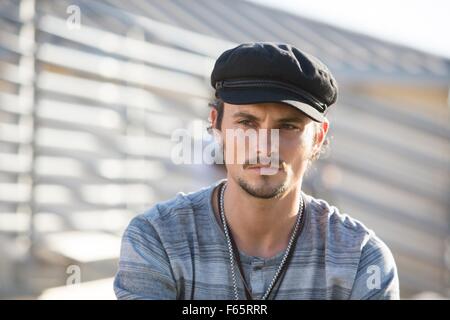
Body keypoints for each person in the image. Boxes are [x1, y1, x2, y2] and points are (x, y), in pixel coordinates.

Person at [114, 42, 399, 300]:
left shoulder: (362, 260)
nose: (264, 146)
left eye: (288, 126)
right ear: (216, 124)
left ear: (318, 138)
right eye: (247, 123)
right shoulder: (158, 238)